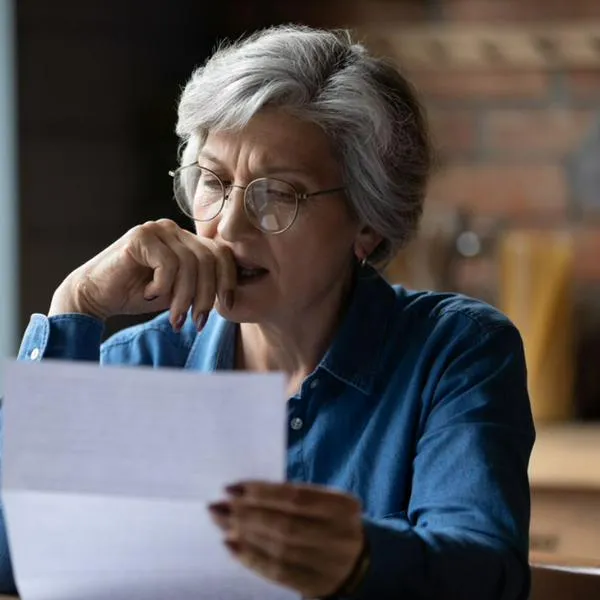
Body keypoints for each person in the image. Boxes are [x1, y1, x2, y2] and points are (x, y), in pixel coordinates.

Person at [0, 24, 535, 599]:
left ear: (368, 220)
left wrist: (359, 560)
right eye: (213, 182)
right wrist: (74, 306)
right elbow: (16, 558)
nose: (229, 227)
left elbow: (487, 574)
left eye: (278, 194)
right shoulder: (144, 360)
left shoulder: (455, 351)